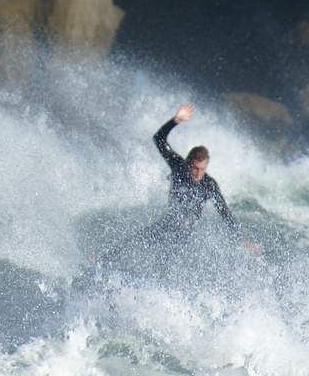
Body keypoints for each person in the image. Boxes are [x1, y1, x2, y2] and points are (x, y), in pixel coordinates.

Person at [101, 103, 262, 266]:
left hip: (182, 234)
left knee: (163, 263)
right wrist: (176, 120)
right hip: (165, 225)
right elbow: (158, 139)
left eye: (202, 169)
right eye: (195, 168)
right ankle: (102, 261)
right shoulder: (178, 165)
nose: (198, 173)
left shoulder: (209, 185)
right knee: (132, 242)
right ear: (187, 163)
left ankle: (155, 280)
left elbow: (224, 212)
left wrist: (239, 239)